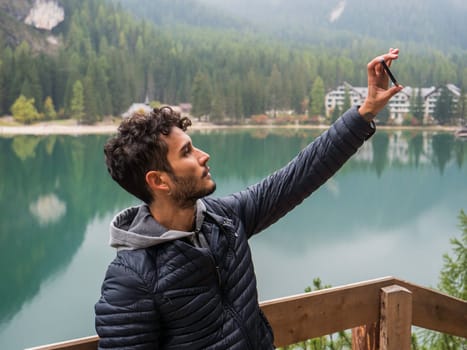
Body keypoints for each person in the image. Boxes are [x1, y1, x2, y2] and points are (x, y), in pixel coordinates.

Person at [95, 49, 403, 349]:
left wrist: (365, 113)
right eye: (187, 152)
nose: (204, 156)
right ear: (159, 181)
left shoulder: (224, 220)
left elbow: (298, 177)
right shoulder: (130, 280)